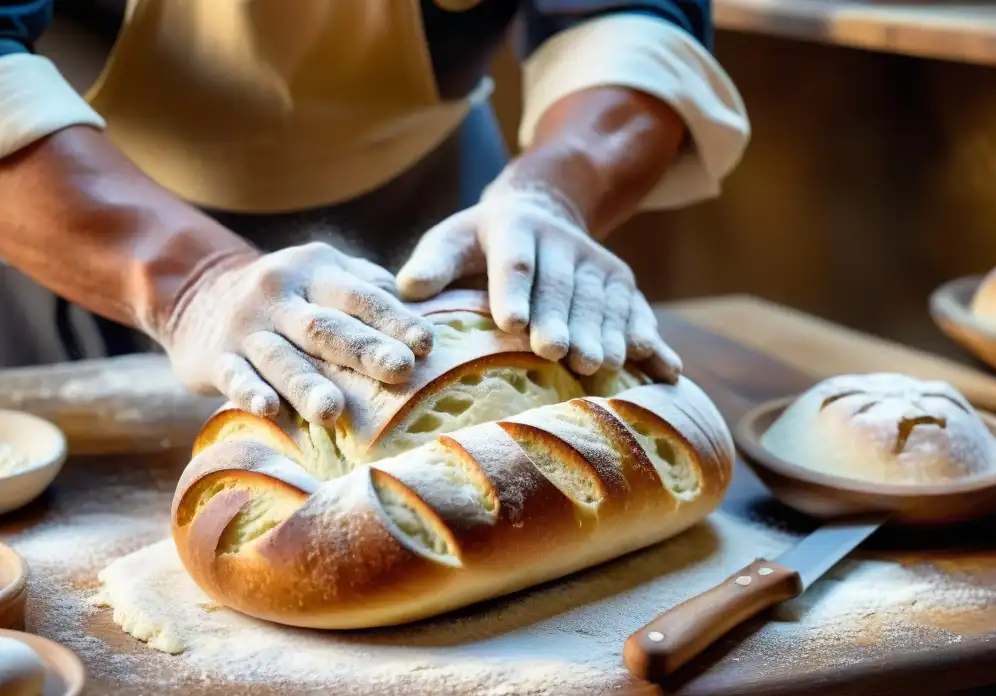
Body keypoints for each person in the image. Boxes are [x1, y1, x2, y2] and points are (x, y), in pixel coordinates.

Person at [0, 0, 750, 426]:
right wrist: (197, 285)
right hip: (76, 209)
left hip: (443, 219)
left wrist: (555, 190)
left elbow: (630, 21)